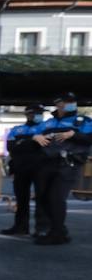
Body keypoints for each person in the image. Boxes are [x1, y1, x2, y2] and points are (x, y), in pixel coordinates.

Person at [31, 92, 92, 245]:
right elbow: (31, 136)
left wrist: (73, 135)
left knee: (57, 198)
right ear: (58, 104)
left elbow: (89, 139)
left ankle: (57, 234)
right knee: (44, 198)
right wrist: (34, 137)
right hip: (47, 164)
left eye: (72, 101)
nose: (70, 104)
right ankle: (58, 229)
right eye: (66, 101)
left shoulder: (83, 121)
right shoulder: (48, 123)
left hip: (68, 164)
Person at [0, 105, 50, 236]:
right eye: (36, 112)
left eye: (41, 112)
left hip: (41, 168)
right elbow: (11, 146)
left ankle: (42, 229)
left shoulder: (47, 127)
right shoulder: (16, 129)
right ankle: (21, 227)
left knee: (42, 198)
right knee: (21, 199)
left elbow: (47, 144)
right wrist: (32, 140)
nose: (40, 115)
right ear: (28, 114)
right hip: (20, 168)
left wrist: (22, 142)